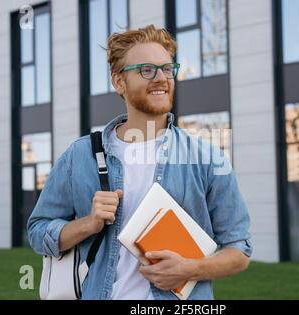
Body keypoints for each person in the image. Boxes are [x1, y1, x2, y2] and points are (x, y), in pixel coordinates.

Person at [27, 24, 252, 300]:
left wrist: (189, 268)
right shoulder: (80, 156)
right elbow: (38, 232)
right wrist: (89, 223)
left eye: (167, 69)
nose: (161, 78)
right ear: (119, 81)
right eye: (146, 70)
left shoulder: (207, 158)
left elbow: (239, 250)